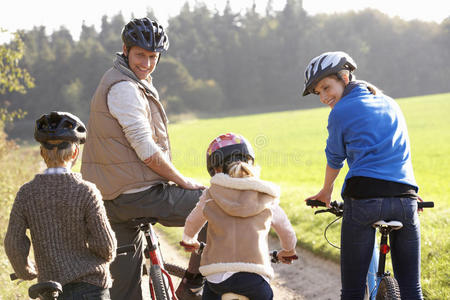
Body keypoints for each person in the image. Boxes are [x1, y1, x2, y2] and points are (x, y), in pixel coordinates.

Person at [80, 17, 206, 300]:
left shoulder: (122, 80)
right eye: (140, 55)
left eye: (153, 57)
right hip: (137, 195)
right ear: (125, 49)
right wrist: (182, 181)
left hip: (109, 203)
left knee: (124, 292)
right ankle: (193, 285)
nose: (147, 64)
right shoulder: (124, 88)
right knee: (215, 207)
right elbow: (146, 150)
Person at [302, 51, 423, 299]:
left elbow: (335, 157)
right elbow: (402, 151)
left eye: (326, 87)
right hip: (404, 197)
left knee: (353, 291)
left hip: (364, 199)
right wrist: (412, 192)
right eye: (319, 93)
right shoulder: (392, 103)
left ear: (345, 77)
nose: (324, 97)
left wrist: (326, 191)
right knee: (412, 288)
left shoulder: (340, 111)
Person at [4, 111, 117, 300]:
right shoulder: (86, 191)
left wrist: (25, 271)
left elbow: (13, 243)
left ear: (42, 152)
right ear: (75, 152)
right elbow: (106, 247)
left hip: (51, 289)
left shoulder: (27, 193)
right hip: (90, 288)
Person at [180, 133, 298, 300]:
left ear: (215, 169)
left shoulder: (211, 194)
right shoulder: (265, 195)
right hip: (253, 279)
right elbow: (286, 230)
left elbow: (192, 222)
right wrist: (288, 250)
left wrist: (189, 238)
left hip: (216, 278)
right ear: (250, 161)